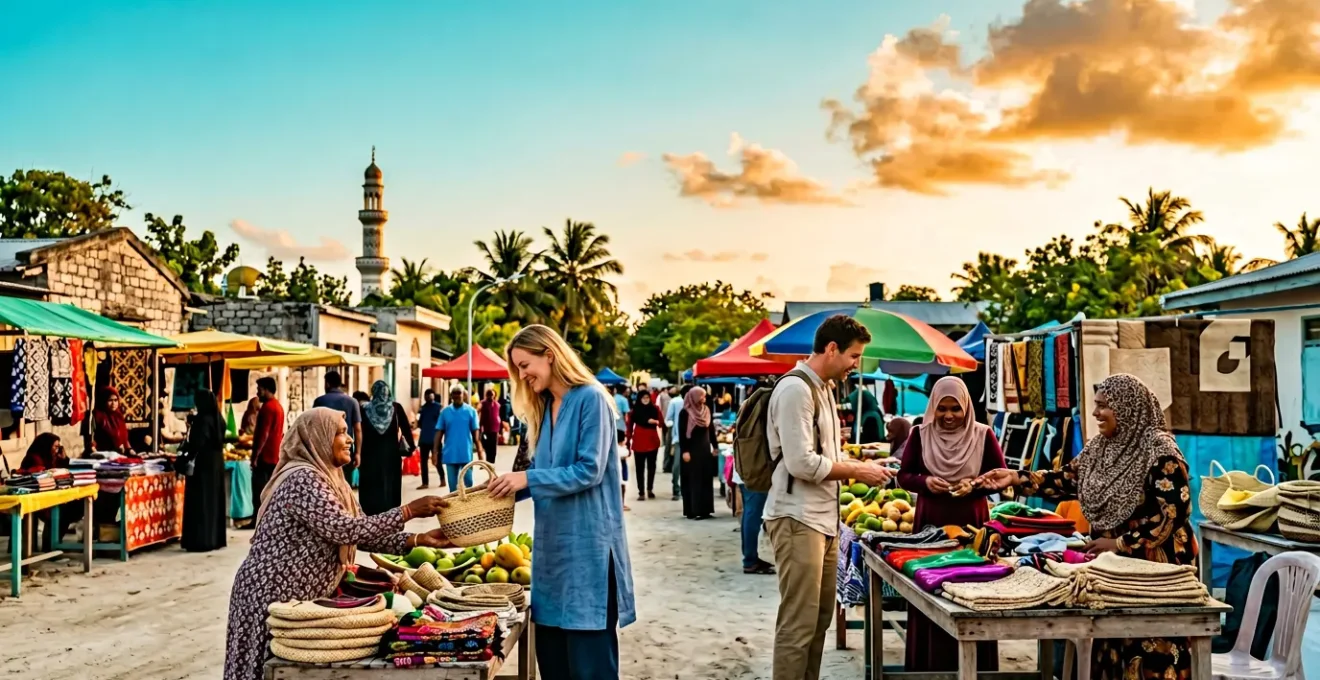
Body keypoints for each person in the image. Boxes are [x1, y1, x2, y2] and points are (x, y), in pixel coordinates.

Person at [977, 373, 1198, 680]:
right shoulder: (1101, 449)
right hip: (1113, 568)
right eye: (1095, 405)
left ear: (1127, 408)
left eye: (1104, 406)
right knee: (1111, 644)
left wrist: (1120, 543)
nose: (1095, 414)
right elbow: (1066, 479)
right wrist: (1016, 478)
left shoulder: (1160, 452)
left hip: (1156, 569)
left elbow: (1175, 514)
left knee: (1150, 651)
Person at [222, 407, 452, 680]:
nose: (350, 439)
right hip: (270, 594)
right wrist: (407, 512)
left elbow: (360, 529)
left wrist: (417, 539)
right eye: (341, 433)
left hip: (297, 600)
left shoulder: (332, 480)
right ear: (318, 437)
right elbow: (342, 529)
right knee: (263, 669)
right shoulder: (303, 478)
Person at [488, 325, 636, 679]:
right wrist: (496, 489)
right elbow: (535, 474)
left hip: (589, 554)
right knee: (553, 662)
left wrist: (527, 478)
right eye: (518, 369)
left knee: (590, 666)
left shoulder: (592, 399)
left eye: (525, 365)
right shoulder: (541, 409)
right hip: (552, 555)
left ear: (549, 355)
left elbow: (589, 470)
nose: (522, 376)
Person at [764, 314, 895, 680]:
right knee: (798, 625)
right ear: (832, 348)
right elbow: (801, 462)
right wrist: (858, 471)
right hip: (796, 518)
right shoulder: (795, 390)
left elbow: (827, 454)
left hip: (823, 520)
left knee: (819, 621)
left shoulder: (822, 387)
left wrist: (862, 461)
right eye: (854, 356)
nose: (857, 364)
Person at [896, 377, 1006, 673]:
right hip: (930, 524)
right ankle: (928, 666)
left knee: (974, 591)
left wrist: (974, 485)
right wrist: (926, 482)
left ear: (967, 407)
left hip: (972, 525)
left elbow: (1000, 475)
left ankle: (977, 668)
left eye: (955, 409)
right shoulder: (920, 434)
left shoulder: (983, 434)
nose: (948, 415)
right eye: (942, 408)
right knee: (929, 589)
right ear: (932, 407)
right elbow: (904, 476)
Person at [357, 380, 415, 516]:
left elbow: (358, 432)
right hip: (391, 456)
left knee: (371, 488)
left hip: (369, 457)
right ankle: (390, 518)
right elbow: (407, 430)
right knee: (390, 486)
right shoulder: (396, 408)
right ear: (387, 392)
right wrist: (410, 448)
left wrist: (357, 453)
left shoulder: (364, 409)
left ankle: (372, 517)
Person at [182, 388, 227, 553]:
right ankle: (214, 539)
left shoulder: (202, 420)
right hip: (216, 464)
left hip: (202, 466)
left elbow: (196, 443)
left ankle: (201, 540)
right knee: (213, 501)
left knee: (201, 502)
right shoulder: (217, 419)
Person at [18, 433, 80, 551]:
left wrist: (65, 459)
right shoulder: (34, 458)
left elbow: (64, 472)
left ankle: (54, 543)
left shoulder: (52, 457)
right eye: (55, 447)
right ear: (46, 446)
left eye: (59, 447)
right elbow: (44, 476)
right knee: (63, 511)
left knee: (74, 507)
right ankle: (50, 546)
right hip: (36, 498)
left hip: (52, 495)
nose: (57, 450)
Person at [313, 371, 363, 486]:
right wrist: (358, 453)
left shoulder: (320, 401)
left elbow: (314, 427)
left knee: (327, 485)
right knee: (345, 486)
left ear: (328, 384)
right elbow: (358, 430)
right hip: (345, 449)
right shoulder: (352, 402)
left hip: (324, 450)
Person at [678, 387, 718, 519]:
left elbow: (711, 430)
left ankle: (705, 509)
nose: (704, 398)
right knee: (693, 480)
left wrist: (715, 446)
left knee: (706, 479)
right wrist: (685, 451)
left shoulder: (706, 410)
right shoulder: (685, 413)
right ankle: (693, 510)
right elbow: (682, 434)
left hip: (705, 451)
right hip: (691, 451)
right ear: (694, 397)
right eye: (701, 396)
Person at [249, 377, 284, 520]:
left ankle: (259, 518)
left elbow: (264, 434)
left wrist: (255, 456)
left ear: (267, 389)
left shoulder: (268, 408)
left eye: (260, 389)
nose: (258, 393)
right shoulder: (278, 406)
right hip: (274, 455)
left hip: (265, 456)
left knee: (260, 489)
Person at [434, 386, 479, 491]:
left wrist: (479, 449)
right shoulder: (445, 412)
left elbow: (475, 432)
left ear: (464, 395)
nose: (457, 395)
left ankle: (469, 506)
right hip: (450, 453)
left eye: (459, 393)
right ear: (451, 396)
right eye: (455, 393)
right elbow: (439, 432)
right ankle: (455, 506)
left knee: (469, 483)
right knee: (452, 486)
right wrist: (435, 452)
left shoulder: (471, 411)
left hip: (466, 453)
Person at [629, 390, 662, 501]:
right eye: (643, 398)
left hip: (652, 441)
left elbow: (661, 422)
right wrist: (628, 442)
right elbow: (629, 427)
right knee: (639, 468)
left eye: (647, 397)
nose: (645, 399)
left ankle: (649, 489)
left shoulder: (655, 409)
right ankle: (641, 491)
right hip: (639, 441)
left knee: (651, 467)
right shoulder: (635, 411)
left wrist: (656, 422)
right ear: (639, 399)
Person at [92, 386, 133, 455]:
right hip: (105, 455)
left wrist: (130, 450)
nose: (113, 403)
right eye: (110, 400)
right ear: (104, 401)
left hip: (121, 455)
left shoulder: (119, 417)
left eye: (115, 400)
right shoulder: (98, 416)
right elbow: (93, 438)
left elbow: (124, 439)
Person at [415, 388, 442, 489]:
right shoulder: (423, 409)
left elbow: (441, 424)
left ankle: (442, 479)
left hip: (435, 438)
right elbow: (420, 423)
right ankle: (425, 482)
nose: (428, 397)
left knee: (437, 460)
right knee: (423, 462)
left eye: (430, 395)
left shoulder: (438, 407)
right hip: (424, 439)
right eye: (426, 396)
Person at [666, 385, 688, 501]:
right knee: (677, 466)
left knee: (680, 466)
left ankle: (681, 489)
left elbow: (668, 420)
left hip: (686, 439)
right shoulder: (676, 402)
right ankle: (676, 488)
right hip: (679, 438)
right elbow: (668, 419)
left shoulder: (696, 402)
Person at [479, 388, 502, 465]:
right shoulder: (483, 403)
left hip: (495, 430)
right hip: (486, 429)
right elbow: (478, 411)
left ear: (494, 395)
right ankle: (488, 460)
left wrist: (500, 429)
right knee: (486, 445)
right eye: (489, 395)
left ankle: (491, 462)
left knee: (493, 448)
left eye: (492, 395)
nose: (490, 396)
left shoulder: (497, 405)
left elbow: (499, 416)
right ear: (486, 395)